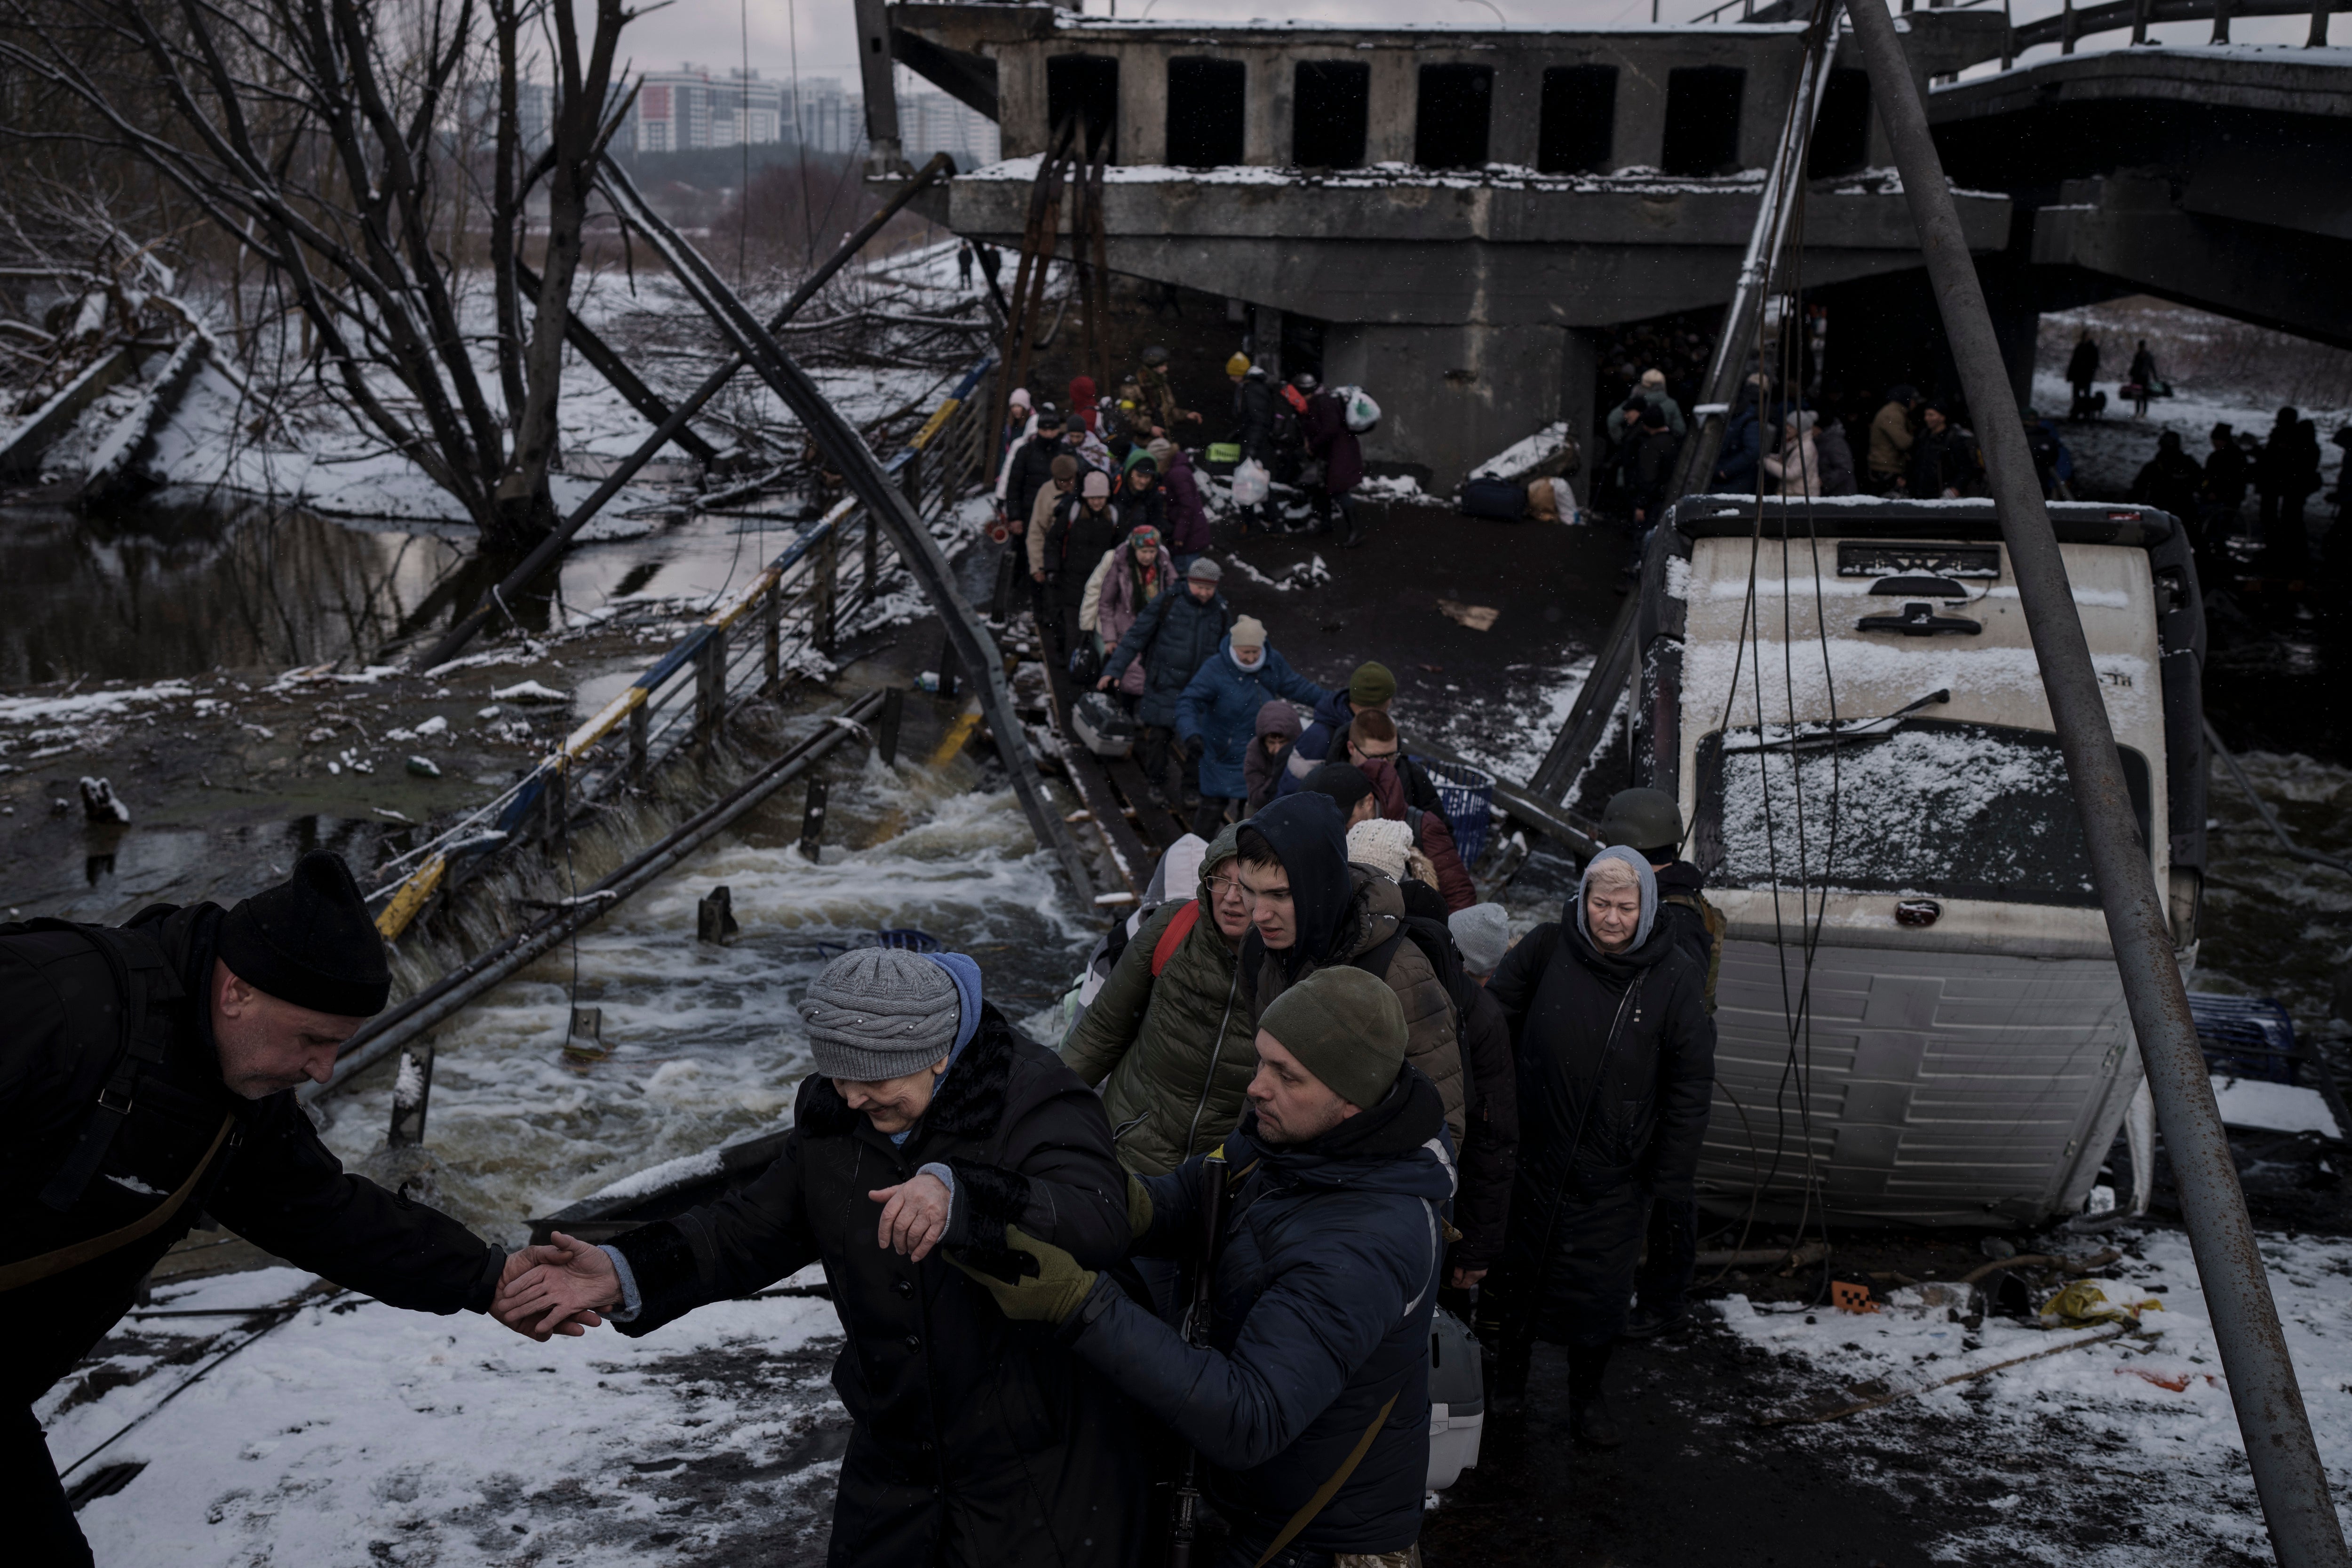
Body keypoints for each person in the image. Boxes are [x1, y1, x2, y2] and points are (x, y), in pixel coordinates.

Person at [497, 948, 1147, 1566]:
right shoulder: (837, 1114)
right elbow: (747, 1228)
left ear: (938, 1057)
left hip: (1035, 1458)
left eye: (874, 1080)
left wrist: (968, 1197)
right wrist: (625, 1269)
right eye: (839, 1077)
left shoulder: (1033, 1096)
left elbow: (1100, 1218)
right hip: (896, 1450)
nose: (854, 1098)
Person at [0, 853, 558, 1565]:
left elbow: (320, 1211)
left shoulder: (236, 1097)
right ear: (236, 992)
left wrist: (490, 1279)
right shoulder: (53, 999)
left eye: (339, 1046)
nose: (324, 1069)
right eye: (313, 1039)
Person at [954, 967, 1452, 1568]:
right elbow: (1192, 1200)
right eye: (1262, 1061)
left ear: (1352, 1101)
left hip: (1318, 1537)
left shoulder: (1362, 1242)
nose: (1256, 1088)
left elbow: (1248, 1417)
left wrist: (1076, 1303)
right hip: (1254, 1504)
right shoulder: (1294, 1136)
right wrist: (1068, 1203)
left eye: (1286, 1075)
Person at [1481, 849, 1715, 1446]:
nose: (1611, 919)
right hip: (1534, 1152)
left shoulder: (1674, 975)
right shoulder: (1544, 947)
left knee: (1598, 1290)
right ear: (1582, 900)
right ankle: (1507, 1384)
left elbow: (1690, 1082)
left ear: (1648, 907)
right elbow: (1490, 1024)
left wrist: (1671, 1174)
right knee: (1516, 1278)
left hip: (1616, 1166)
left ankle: (1587, 1398)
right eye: (1600, 903)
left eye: (1625, 907)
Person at [1233, 792, 1465, 1147]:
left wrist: (1345, 1193)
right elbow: (1264, 1072)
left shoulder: (1399, 973)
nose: (1259, 913)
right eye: (1249, 891)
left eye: (1280, 895)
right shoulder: (1259, 949)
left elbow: (1439, 1125)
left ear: (1319, 887)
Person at [1595, 788, 1722, 1342]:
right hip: (1665, 1069)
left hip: (1662, 1074)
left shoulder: (1671, 916)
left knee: (1666, 1187)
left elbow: (1675, 1004)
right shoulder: (1682, 899)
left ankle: (1662, 1302)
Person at [1061, 826, 1258, 1183]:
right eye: (1219, 880)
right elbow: (1100, 1033)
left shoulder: (1287, 963)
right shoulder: (1171, 929)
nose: (1230, 897)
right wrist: (1037, 1107)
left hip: (1218, 1178)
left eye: (1244, 883)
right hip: (1128, 1156)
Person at [1176, 617, 1331, 837]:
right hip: (1221, 752)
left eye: (1255, 653)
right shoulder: (1215, 669)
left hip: (1258, 751)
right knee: (1211, 808)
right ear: (1233, 647)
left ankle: (1241, 859)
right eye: (1245, 653)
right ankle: (1198, 852)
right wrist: (1191, 733)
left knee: (1249, 815)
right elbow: (1188, 701)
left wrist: (1334, 702)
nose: (1250, 658)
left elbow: (1298, 687)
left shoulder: (1272, 662)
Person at [1104, 556, 1234, 808]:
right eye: (1201, 588)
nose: (1205, 594)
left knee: (1199, 742)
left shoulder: (1220, 611)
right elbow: (1136, 636)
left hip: (1200, 689)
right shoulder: (1169, 601)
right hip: (1164, 683)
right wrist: (1114, 670)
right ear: (1190, 582)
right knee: (1159, 737)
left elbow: (1228, 650)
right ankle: (1156, 782)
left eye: (1210, 589)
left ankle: (1191, 789)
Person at [1337, 714, 1476, 911]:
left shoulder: (1414, 778)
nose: (1385, 764)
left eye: (1392, 756)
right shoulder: (1328, 779)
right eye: (1376, 757)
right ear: (1351, 748)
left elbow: (1454, 884)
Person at [1081, 523, 1175, 696]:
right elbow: (1106, 603)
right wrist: (1109, 638)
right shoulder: (1120, 564)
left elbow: (1173, 594)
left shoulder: (1163, 565)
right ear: (1135, 548)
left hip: (1153, 629)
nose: (1148, 557)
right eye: (1144, 552)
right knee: (1126, 675)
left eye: (1152, 552)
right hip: (1124, 629)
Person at [1045, 468, 1125, 658]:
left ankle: (1091, 665)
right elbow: (1054, 541)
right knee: (1071, 626)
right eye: (1092, 498)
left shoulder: (1113, 517)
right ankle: (1071, 665)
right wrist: (1052, 568)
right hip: (1071, 580)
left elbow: (1120, 548)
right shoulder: (1072, 513)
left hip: (1100, 583)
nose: (1097, 502)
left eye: (1101, 497)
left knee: (1095, 627)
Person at [1301, 372, 1367, 549]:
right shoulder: (1320, 401)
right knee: (1323, 488)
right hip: (1332, 453)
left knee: (1339, 490)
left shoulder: (1323, 402)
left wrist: (1313, 446)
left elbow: (1330, 428)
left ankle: (1356, 532)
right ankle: (1326, 524)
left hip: (1340, 453)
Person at [2256, 405, 2323, 571]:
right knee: (2289, 519)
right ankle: (2289, 553)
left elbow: (2277, 460)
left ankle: (2281, 552)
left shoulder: (2287, 436)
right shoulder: (2298, 437)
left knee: (2283, 518)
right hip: (2289, 485)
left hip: (2284, 484)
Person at [1228, 352, 1278, 537]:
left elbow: (1259, 421)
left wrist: (1252, 447)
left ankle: (1256, 523)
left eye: (1234, 374)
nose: (1232, 379)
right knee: (1255, 482)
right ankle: (1267, 521)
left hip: (1255, 443)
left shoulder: (1253, 389)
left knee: (1250, 481)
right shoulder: (1250, 387)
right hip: (1253, 441)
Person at [1149, 436, 1212, 575]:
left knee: (1184, 576)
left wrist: (1179, 535)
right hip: (1185, 535)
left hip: (1188, 539)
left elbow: (1188, 506)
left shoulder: (1177, 474)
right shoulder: (1172, 470)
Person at [1625, 401, 1679, 527]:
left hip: (1654, 501)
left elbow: (1649, 478)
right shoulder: (1674, 440)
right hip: (1667, 495)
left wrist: (1641, 505)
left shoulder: (1651, 447)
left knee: (1644, 536)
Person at [1247, 699, 1303, 813]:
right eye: (1271, 742)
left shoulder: (1303, 749)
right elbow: (1257, 799)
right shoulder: (1255, 751)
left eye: (1282, 743)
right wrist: (1278, 774)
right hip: (1262, 812)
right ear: (1263, 741)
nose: (1277, 750)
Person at [1137, 343, 1198, 436]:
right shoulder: (1134, 387)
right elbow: (1128, 416)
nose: (1166, 368)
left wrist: (1186, 415)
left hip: (1163, 437)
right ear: (1154, 366)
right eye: (1163, 365)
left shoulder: (1161, 385)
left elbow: (1167, 412)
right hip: (1143, 442)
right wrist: (1150, 428)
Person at [1867, 384, 1918, 493]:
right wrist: (1919, 442)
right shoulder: (1892, 414)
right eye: (1914, 400)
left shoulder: (1895, 412)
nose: (1916, 404)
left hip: (1885, 466)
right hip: (1887, 468)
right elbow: (1903, 443)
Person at [1909, 403, 1966, 499]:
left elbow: (1965, 468)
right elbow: (1915, 461)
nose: (1927, 418)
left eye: (1931, 415)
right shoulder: (1923, 436)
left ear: (1943, 417)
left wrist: (1956, 488)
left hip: (1941, 495)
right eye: (1926, 415)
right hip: (1919, 494)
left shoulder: (1953, 439)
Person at [1763, 408, 1823, 497]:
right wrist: (1770, 457)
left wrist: (1767, 462)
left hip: (1800, 495)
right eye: (1787, 424)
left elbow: (1792, 474)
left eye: (1792, 426)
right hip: (1791, 492)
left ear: (1800, 430)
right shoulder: (1793, 442)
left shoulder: (1806, 448)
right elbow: (1786, 460)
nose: (1787, 428)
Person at [1814, 409, 1858, 496]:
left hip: (1842, 494)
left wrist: (1823, 480)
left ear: (1819, 428)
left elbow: (1845, 469)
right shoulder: (1822, 441)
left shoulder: (1835, 443)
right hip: (1833, 493)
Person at [2066, 330, 2101, 421]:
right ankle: (2077, 414)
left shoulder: (2092, 349)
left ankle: (2085, 414)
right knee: (2077, 396)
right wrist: (2070, 375)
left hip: (2086, 376)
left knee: (2086, 397)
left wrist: (2090, 375)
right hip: (2079, 375)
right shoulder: (2081, 347)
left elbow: (2094, 363)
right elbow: (2074, 362)